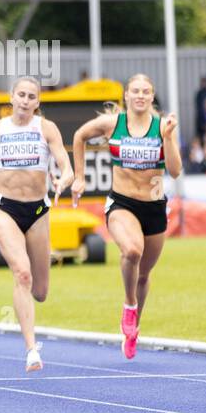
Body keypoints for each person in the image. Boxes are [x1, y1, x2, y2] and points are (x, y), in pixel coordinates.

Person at [70, 73, 182, 358]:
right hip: (122, 204)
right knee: (131, 251)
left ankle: (134, 327)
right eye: (136, 91)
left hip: (154, 207)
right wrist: (79, 177)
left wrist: (168, 138)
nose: (141, 95)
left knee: (144, 274)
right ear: (127, 96)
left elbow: (176, 170)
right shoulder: (113, 124)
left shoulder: (162, 127)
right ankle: (129, 306)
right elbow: (80, 135)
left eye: (146, 91)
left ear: (151, 95)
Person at [0, 76, 74, 372]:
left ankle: (29, 305)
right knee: (22, 273)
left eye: (32, 96)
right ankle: (31, 349)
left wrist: (64, 179)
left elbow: (65, 165)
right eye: (21, 94)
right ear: (11, 97)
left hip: (38, 211)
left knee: (40, 291)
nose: (25, 100)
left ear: (38, 102)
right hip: (5, 208)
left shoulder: (46, 129)